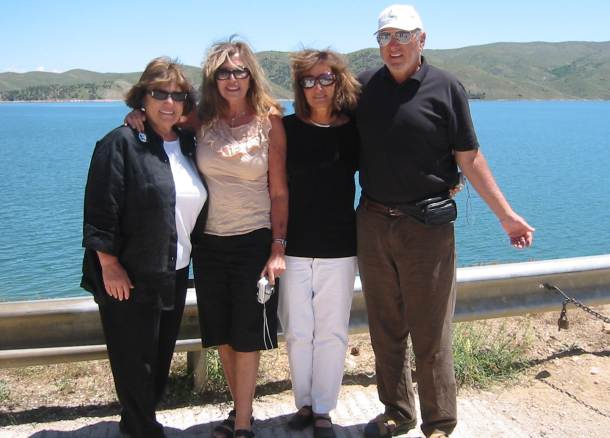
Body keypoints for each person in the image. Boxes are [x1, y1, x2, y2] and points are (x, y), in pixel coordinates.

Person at [355, 5, 535, 438]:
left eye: (402, 36)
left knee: (431, 331)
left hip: (427, 227)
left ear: (422, 39)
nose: (393, 45)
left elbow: (468, 156)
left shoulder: (445, 87)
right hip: (374, 222)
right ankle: (398, 412)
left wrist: (506, 216)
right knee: (384, 326)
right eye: (385, 37)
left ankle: (439, 423)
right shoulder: (362, 87)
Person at [81, 57, 208, 438]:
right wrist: (109, 264)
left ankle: (139, 423)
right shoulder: (120, 142)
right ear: (142, 97)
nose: (168, 102)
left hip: (174, 269)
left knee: (157, 359)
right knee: (134, 362)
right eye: (159, 94)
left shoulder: (187, 143)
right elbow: (101, 207)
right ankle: (140, 429)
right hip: (131, 273)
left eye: (177, 95)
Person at [194, 38, 288, 438]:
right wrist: (135, 115)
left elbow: (279, 190)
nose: (232, 79)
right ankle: (239, 411)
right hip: (209, 243)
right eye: (223, 72)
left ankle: (244, 424)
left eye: (239, 71)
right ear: (212, 79)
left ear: (251, 74)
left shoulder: (270, 121)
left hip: (253, 241)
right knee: (222, 334)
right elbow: (158, 119)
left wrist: (277, 249)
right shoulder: (200, 120)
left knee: (246, 334)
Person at [278, 50, 360, 438]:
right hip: (293, 246)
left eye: (325, 78)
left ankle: (324, 408)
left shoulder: (353, 129)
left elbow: (395, 153)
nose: (318, 88)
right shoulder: (286, 128)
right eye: (309, 80)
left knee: (332, 330)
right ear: (300, 87)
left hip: (341, 245)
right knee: (297, 329)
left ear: (338, 81)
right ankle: (304, 403)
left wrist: (446, 173)